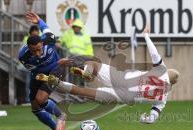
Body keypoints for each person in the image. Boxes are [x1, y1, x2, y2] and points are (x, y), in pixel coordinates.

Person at [37, 25, 180, 124]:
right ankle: (57, 83)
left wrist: (146, 35)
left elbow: (154, 52)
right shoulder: (163, 99)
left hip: (124, 79)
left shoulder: (161, 71)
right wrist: (145, 118)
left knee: (94, 65)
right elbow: (153, 117)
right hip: (125, 97)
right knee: (85, 92)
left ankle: (84, 70)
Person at [18, 11, 70, 130]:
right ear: (28, 48)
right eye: (33, 51)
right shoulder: (23, 56)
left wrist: (39, 20)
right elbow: (37, 71)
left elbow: (45, 28)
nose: (37, 53)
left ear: (42, 43)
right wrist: (56, 62)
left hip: (57, 70)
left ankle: (60, 115)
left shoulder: (49, 39)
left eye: (39, 49)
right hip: (39, 74)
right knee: (35, 107)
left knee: (41, 99)